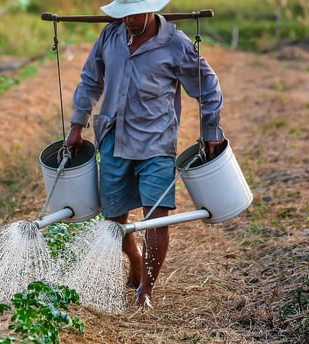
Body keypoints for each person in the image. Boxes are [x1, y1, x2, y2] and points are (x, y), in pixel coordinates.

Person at [64, 0, 225, 309]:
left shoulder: (176, 44)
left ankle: (145, 291)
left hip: (156, 143)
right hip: (113, 138)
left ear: (152, 9)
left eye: (137, 13)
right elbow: (89, 79)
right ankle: (134, 259)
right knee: (114, 220)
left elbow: (208, 87)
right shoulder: (110, 37)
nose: (131, 20)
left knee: (156, 220)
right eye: (125, 14)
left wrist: (211, 130)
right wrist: (76, 123)